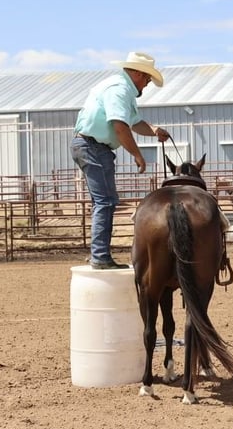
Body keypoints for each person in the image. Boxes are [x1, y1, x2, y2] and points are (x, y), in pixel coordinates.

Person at [71, 51, 172, 269]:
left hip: (91, 146)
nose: (146, 85)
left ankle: (99, 254)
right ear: (137, 73)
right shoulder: (120, 90)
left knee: (104, 201)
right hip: (94, 147)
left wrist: (154, 130)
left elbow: (134, 122)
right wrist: (137, 154)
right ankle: (99, 256)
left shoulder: (120, 88)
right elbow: (119, 125)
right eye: (146, 79)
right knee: (105, 202)